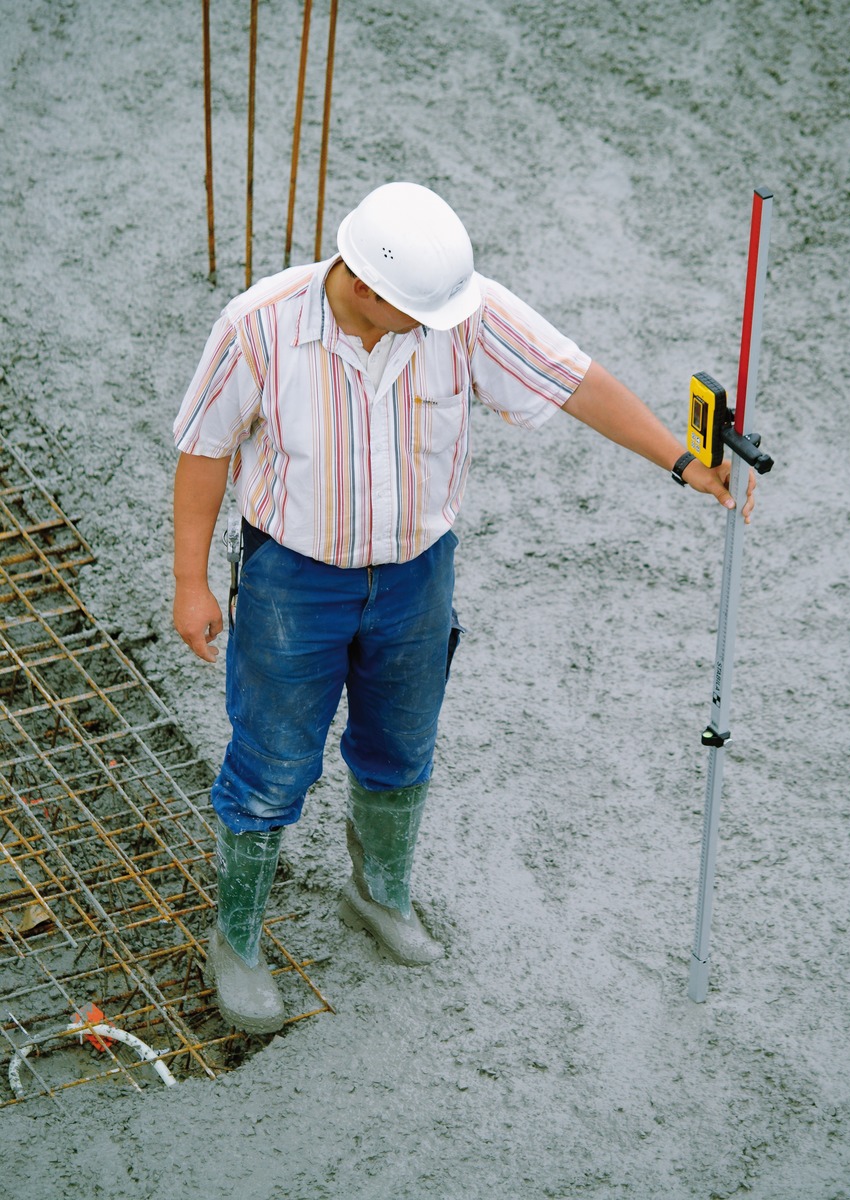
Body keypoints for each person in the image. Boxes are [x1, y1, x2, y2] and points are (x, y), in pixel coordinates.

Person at [173, 182, 754, 1034]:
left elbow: (573, 380)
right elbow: (204, 452)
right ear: (366, 287)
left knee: (402, 745)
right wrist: (190, 582)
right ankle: (237, 940)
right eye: (421, 313)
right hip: (293, 579)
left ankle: (378, 894)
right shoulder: (257, 325)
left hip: (416, 573)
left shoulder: (459, 313)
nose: (442, 328)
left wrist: (680, 460)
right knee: (270, 764)